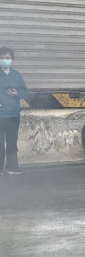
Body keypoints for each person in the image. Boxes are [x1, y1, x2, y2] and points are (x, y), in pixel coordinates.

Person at [0, 46, 28, 175]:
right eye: (2, 57)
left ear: (12, 59)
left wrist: (17, 94)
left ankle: (12, 167)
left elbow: (24, 92)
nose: (5, 60)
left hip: (13, 114)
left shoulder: (17, 75)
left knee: (12, 142)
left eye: (8, 58)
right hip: (0, 115)